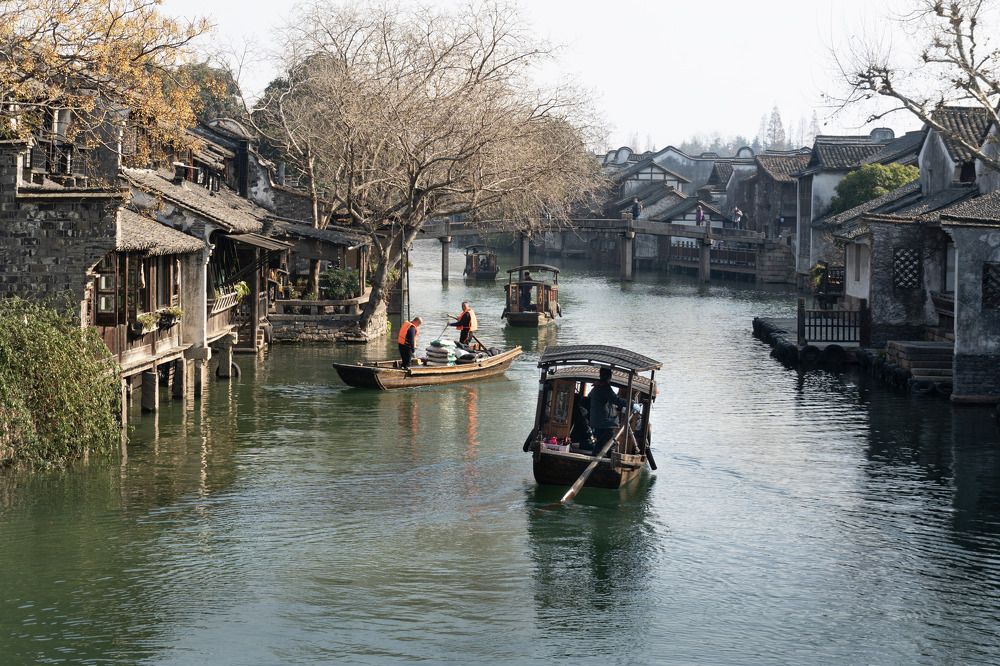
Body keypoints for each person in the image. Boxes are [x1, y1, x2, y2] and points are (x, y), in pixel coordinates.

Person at [585, 367, 628, 455]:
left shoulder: (596, 388)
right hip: (605, 423)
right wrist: (631, 403)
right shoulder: (604, 387)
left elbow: (606, 401)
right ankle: (599, 460)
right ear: (609, 377)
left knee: (603, 443)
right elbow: (616, 400)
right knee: (605, 443)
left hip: (598, 422)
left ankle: (605, 458)